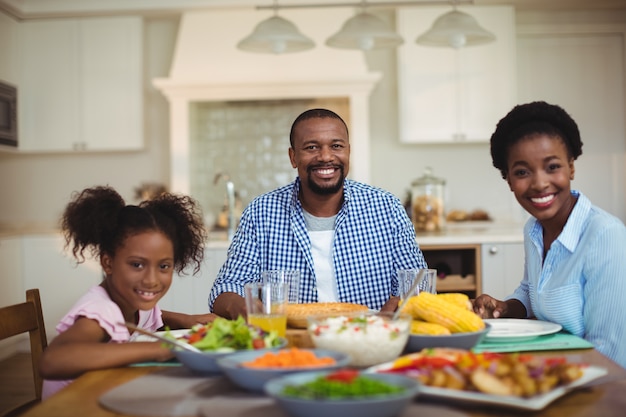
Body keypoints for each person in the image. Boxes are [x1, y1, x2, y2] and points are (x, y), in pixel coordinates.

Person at [209, 108, 427, 319]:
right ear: (293, 157)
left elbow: (419, 285)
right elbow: (225, 289)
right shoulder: (261, 213)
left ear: (348, 152)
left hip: (369, 339)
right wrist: (242, 306)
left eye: (336, 146)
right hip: (291, 344)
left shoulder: (386, 208)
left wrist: (397, 306)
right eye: (312, 147)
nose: (325, 156)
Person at [472, 101, 626, 368]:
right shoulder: (533, 229)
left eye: (552, 167)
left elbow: (611, 353)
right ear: (508, 179)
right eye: (522, 172)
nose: (540, 183)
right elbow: (533, 291)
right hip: (549, 369)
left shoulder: (605, 236)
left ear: (571, 167)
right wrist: (504, 307)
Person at [40, 186, 217, 399]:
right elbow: (53, 360)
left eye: (163, 266)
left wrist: (189, 320)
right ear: (108, 263)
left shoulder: (134, 302)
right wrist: (164, 349)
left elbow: (152, 320)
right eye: (137, 265)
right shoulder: (101, 310)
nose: (151, 280)